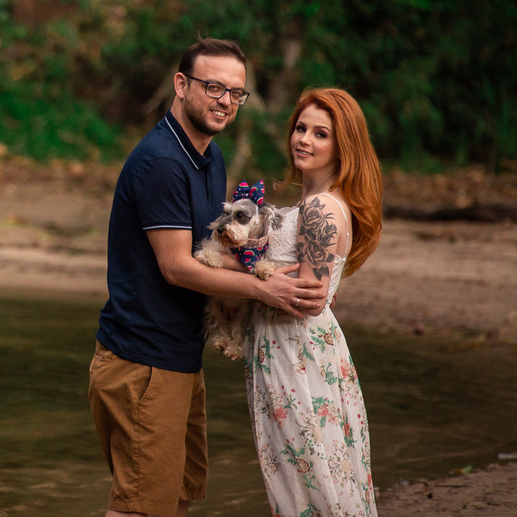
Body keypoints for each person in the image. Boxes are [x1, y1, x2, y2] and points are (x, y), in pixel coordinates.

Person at [89, 38, 327, 517]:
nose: (225, 101)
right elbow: (177, 266)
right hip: (141, 361)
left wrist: (282, 273)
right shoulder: (161, 162)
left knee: (177, 498)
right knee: (140, 508)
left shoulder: (210, 157)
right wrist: (263, 288)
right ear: (181, 85)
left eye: (236, 93)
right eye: (214, 87)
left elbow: (215, 253)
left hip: (178, 359)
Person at [245, 88, 383, 516]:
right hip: (298, 349)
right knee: (316, 473)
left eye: (320, 134)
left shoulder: (321, 207)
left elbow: (307, 298)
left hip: (296, 354)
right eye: (300, 128)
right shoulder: (318, 202)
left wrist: (240, 273)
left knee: (309, 481)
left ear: (343, 147)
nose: (304, 139)